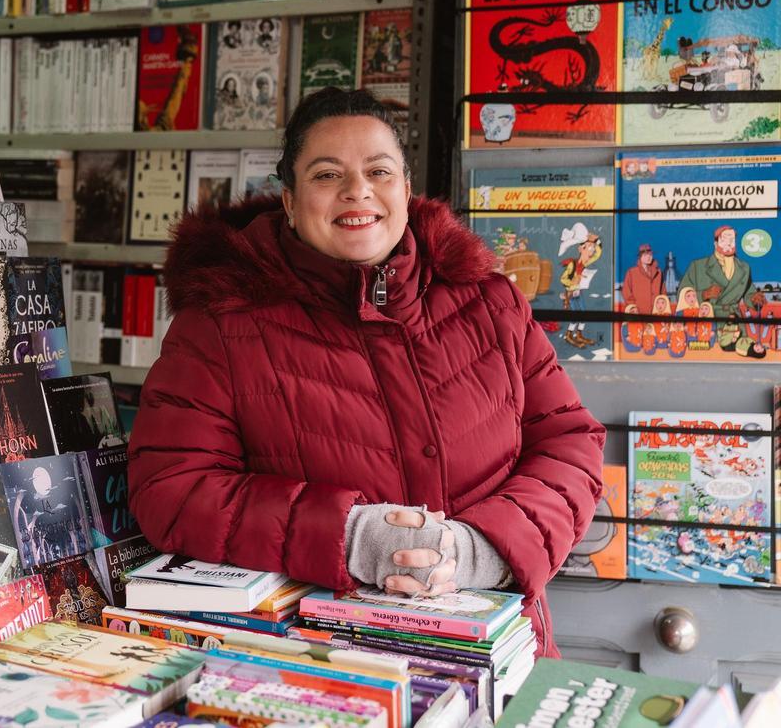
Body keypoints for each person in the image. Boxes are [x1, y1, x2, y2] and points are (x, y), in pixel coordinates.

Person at [128, 88, 605, 657]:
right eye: (327, 175)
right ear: (288, 199)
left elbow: (570, 441)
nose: (358, 191)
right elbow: (172, 486)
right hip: (325, 672)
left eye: (378, 170)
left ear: (405, 188)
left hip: (503, 657)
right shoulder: (221, 323)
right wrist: (351, 535)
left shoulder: (490, 302)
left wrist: (483, 548)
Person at [678, 225, 768, 357]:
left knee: (737, 355)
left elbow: (749, 294)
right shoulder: (698, 266)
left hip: (735, 321)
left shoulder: (744, 268)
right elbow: (682, 294)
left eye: (732, 240)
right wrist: (704, 294)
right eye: (724, 240)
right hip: (708, 322)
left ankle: (752, 350)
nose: (728, 244)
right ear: (715, 244)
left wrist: (755, 299)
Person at [622, 243, 664, 313]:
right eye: (645, 255)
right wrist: (633, 307)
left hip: (656, 312)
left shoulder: (659, 273)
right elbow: (626, 292)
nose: (648, 257)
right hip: (638, 312)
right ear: (640, 257)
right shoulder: (631, 272)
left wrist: (662, 308)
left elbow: (663, 292)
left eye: (650, 255)